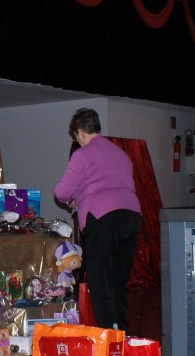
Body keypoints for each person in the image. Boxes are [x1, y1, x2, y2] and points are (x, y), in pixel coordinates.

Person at [54, 108, 141, 331]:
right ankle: (121, 330)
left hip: (103, 216)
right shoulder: (120, 153)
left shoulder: (83, 154)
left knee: (100, 279)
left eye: (76, 137)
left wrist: (72, 201)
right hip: (131, 215)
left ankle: (108, 334)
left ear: (80, 133)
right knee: (118, 279)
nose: (78, 141)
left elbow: (62, 192)